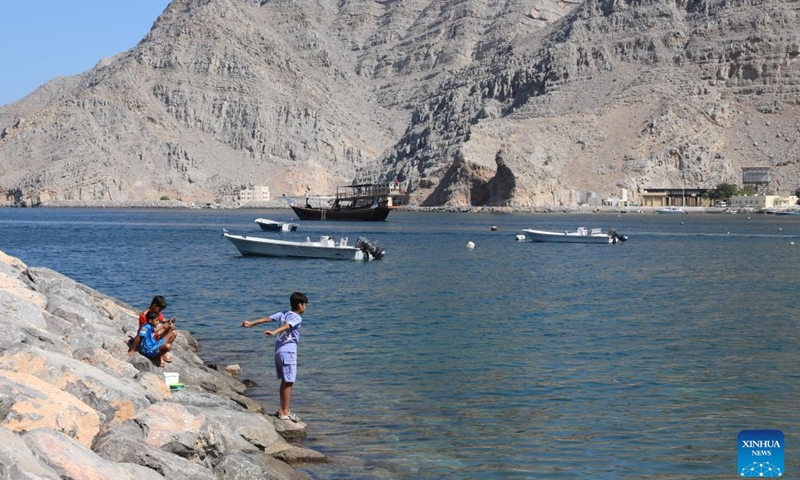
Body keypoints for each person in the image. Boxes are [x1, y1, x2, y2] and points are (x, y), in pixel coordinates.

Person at [241, 292, 308, 422]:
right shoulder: (297, 317)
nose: (305, 308)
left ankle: (282, 409)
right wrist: (274, 332)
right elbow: (286, 326)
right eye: (305, 305)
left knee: (285, 380)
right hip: (288, 353)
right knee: (289, 382)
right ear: (300, 305)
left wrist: (252, 323)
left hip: (279, 351)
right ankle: (285, 412)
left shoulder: (284, 313)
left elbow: (267, 319)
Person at [129, 295, 177, 362]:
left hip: (154, 338)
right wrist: (132, 349)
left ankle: (162, 351)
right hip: (149, 340)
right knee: (167, 344)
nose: (160, 311)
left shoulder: (156, 313)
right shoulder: (145, 317)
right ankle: (160, 353)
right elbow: (142, 334)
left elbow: (163, 321)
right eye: (160, 309)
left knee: (173, 329)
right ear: (154, 306)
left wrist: (169, 321)